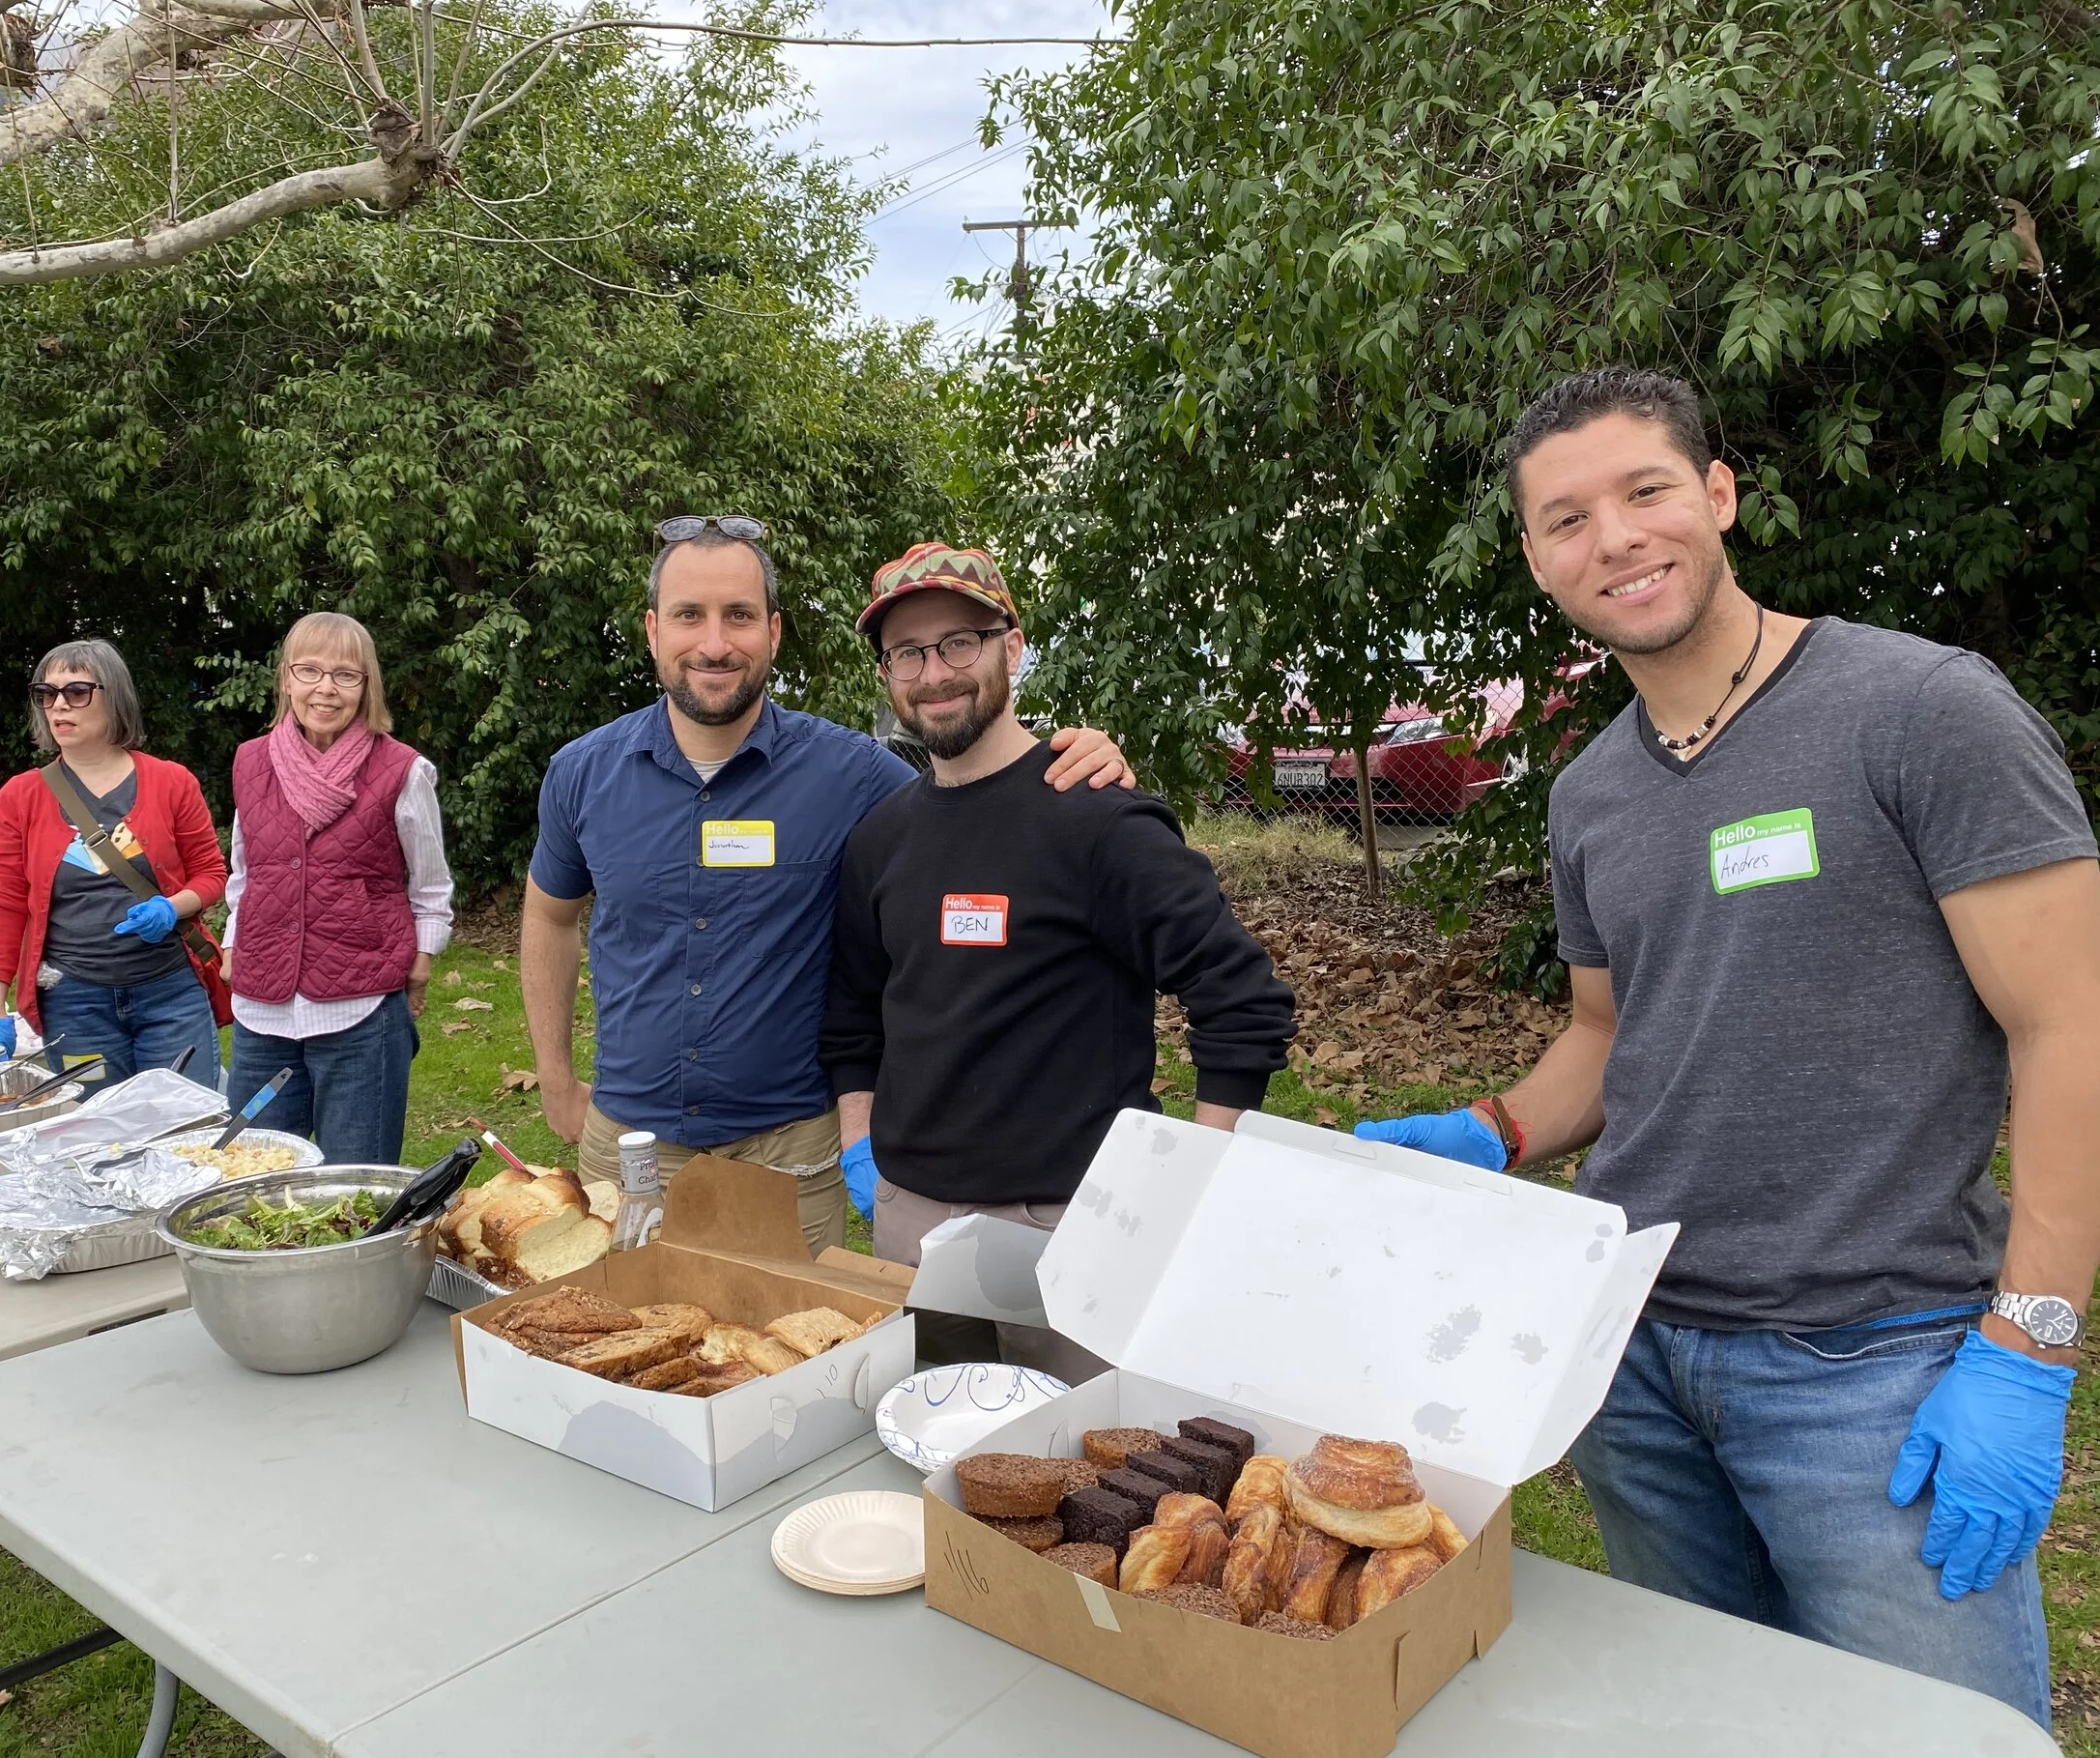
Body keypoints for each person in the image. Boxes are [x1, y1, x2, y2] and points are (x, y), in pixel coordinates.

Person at [1357, 366, 2100, 1731]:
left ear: (1719, 493)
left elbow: (2072, 1023)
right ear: (1535, 557)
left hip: (1871, 1364)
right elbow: (1605, 1031)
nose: (1616, 538)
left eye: (1646, 491)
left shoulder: (1922, 710)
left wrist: (2032, 1339)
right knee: (1712, 1726)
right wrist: (1498, 1127)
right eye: (1567, 517)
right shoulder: (1591, 793)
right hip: (1632, 1353)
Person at [522, 517, 1136, 1256]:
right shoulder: (582, 774)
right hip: (630, 1147)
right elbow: (551, 917)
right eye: (690, 614)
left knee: (793, 1362)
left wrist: (1072, 758)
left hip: (793, 1155)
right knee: (624, 1352)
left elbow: (973, 800)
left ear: (774, 632)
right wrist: (555, 1078)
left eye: (740, 615)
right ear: (653, 630)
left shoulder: (855, 777)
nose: (715, 643)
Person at [820, 543, 1297, 1317]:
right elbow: (851, 1019)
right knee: (916, 1432)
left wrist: (1194, 1180)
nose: (934, 672)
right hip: (908, 1224)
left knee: (1077, 1440)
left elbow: (1240, 997)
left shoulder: (1097, 819)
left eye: (959, 643)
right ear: (886, 675)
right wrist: (860, 1148)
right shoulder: (879, 840)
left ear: (1012, 646)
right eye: (906, 652)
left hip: (1071, 1224)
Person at [219, 612, 452, 1165]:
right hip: (262, 1010)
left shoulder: (402, 771)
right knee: (252, 1176)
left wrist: (421, 961)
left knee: (357, 1182)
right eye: (310, 671)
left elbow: (431, 885)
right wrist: (233, 945)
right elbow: (247, 873)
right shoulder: (251, 762)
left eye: (346, 675)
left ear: (366, 685)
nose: (325, 689)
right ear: (286, 679)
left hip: (360, 1010)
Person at [0, 639, 226, 1088]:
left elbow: (212, 874)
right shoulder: (21, 796)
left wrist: (173, 906)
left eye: (76, 692)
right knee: (97, 1134)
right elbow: (5, 904)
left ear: (114, 696)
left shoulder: (172, 782)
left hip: (169, 994)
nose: (58, 706)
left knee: (185, 1128)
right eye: (46, 693)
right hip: (75, 1003)